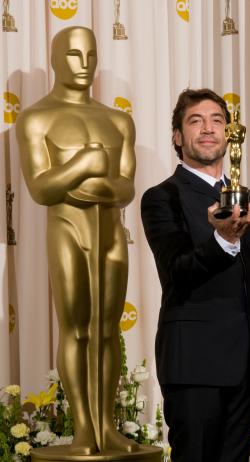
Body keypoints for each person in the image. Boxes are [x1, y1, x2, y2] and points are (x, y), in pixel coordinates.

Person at [141, 88, 250, 462]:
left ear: (228, 134)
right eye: (195, 121)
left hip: (242, 366)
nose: (208, 129)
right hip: (193, 363)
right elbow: (176, 273)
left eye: (217, 120)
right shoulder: (162, 197)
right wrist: (221, 239)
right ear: (177, 136)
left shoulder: (244, 196)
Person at [16, 27, 137, 455]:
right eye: (73, 55)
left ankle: (108, 425)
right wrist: (86, 163)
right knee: (77, 330)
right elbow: (41, 189)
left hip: (110, 236)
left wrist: (96, 188)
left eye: (90, 56)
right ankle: (84, 427)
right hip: (67, 231)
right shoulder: (35, 117)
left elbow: (125, 188)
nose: (84, 65)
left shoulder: (118, 120)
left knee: (107, 331)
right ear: (54, 58)